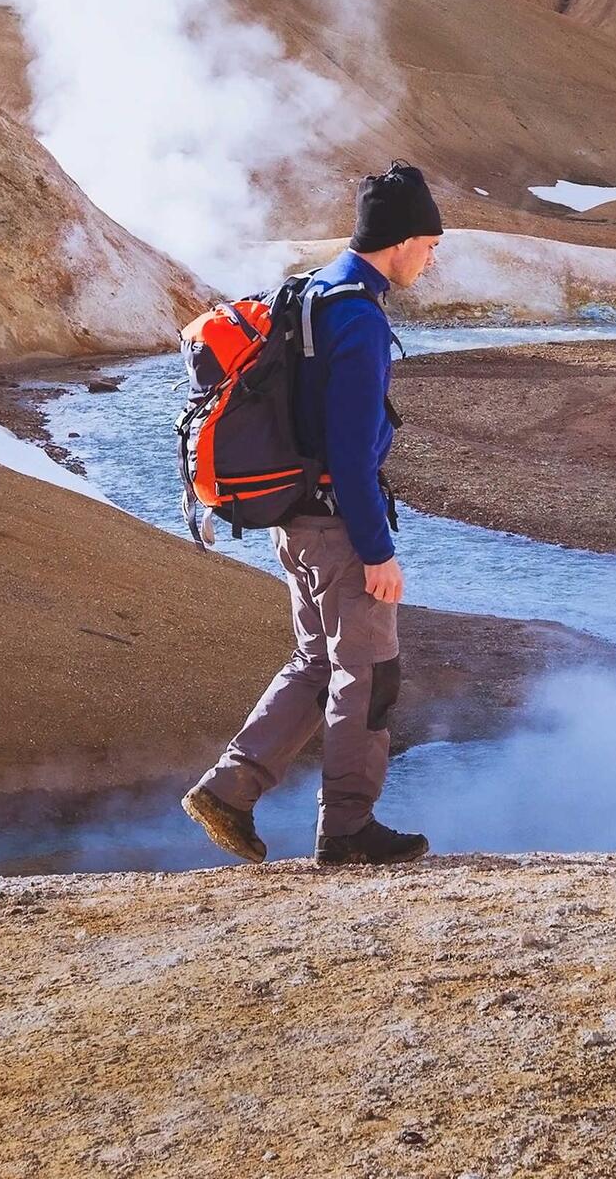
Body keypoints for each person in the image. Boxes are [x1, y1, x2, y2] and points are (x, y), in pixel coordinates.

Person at [181, 162, 443, 868]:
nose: (432, 257)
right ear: (398, 240)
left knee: (316, 662)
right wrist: (377, 551)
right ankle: (348, 829)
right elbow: (351, 454)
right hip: (338, 527)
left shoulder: (312, 293)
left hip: (294, 523)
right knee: (370, 676)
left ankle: (229, 790)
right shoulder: (357, 316)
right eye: (429, 243)